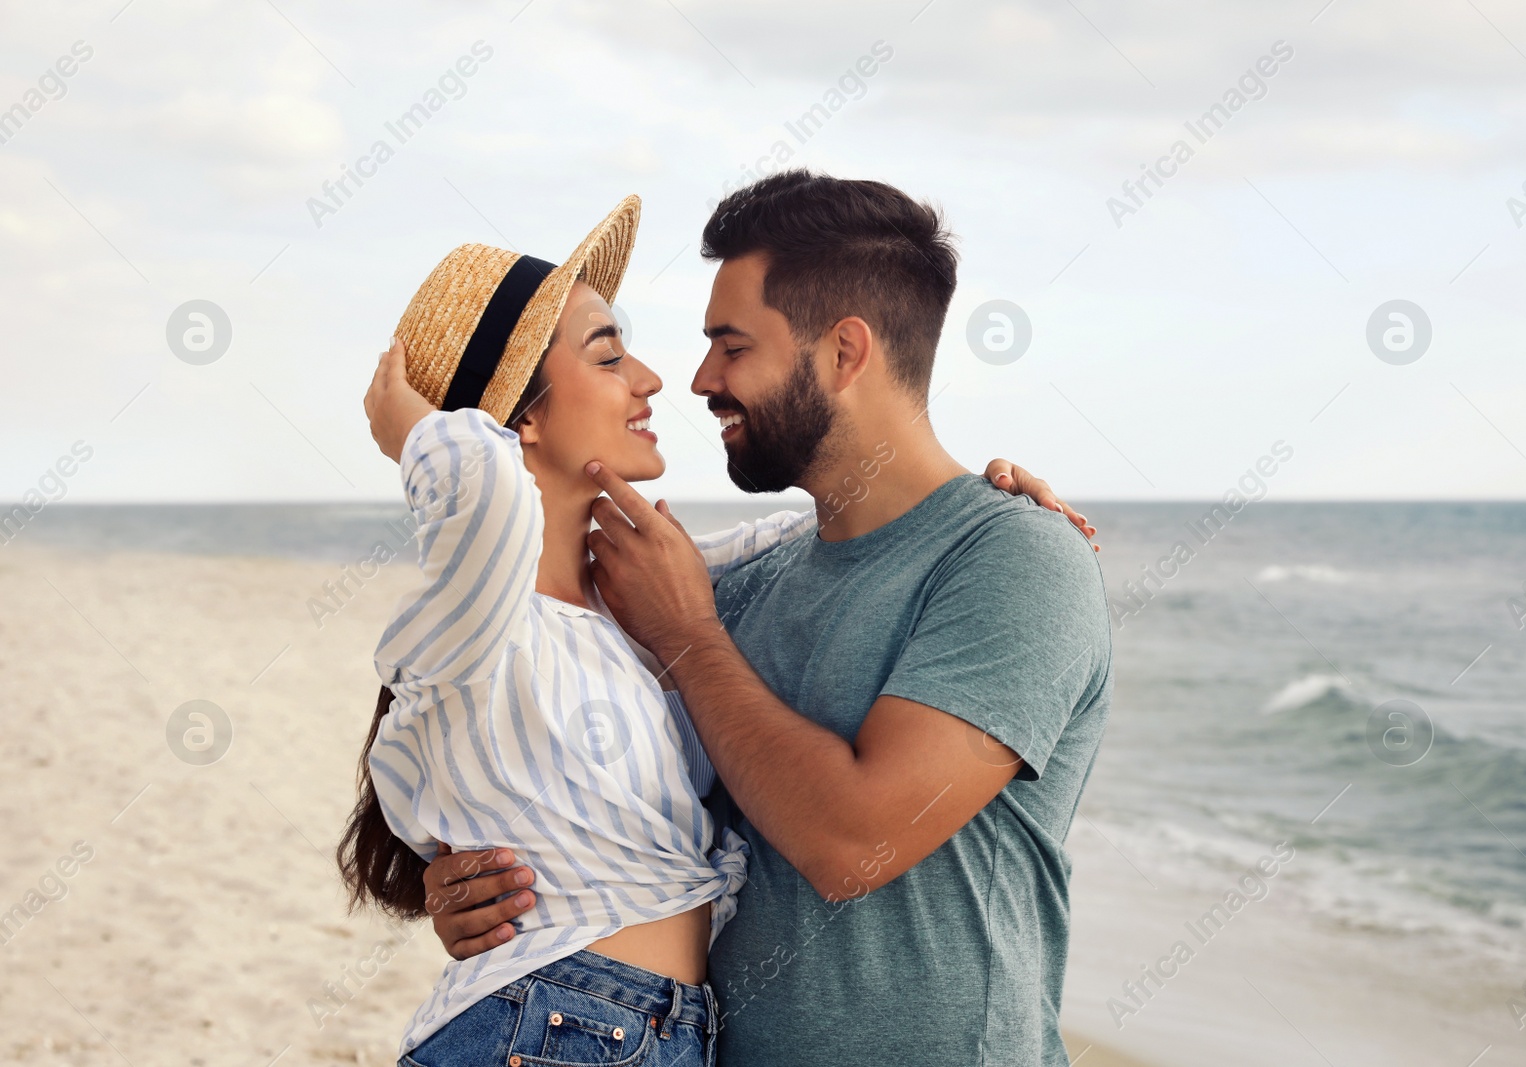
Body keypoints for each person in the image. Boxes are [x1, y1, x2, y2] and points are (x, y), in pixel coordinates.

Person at [344, 193, 1091, 1065]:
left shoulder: (1004, 561)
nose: (689, 379)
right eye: (617, 353)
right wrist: (472, 890)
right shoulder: (690, 602)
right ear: (520, 419)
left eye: (731, 346)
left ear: (845, 351)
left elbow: (855, 841)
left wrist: (993, 501)